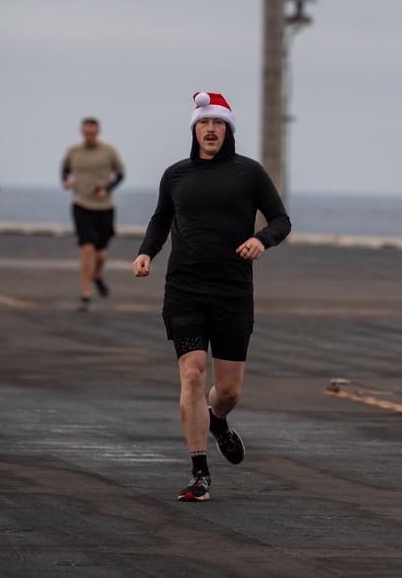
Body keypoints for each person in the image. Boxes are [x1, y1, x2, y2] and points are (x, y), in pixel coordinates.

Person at [132, 92, 291, 502]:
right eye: (204, 123)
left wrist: (261, 240)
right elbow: (161, 219)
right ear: (194, 129)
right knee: (192, 373)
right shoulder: (175, 175)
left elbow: (281, 220)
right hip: (184, 288)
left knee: (229, 389)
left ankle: (218, 420)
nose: (210, 130)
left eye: (218, 124)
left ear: (228, 130)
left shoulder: (249, 173)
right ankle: (199, 472)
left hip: (233, 291)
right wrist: (146, 252)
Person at [61, 117, 125, 312]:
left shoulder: (108, 151)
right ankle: (85, 294)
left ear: (98, 132)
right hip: (81, 204)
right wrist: (65, 181)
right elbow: (64, 170)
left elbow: (120, 174)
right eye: (86, 133)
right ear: (82, 132)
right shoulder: (73, 151)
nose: (89, 136)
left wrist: (106, 188)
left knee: (102, 253)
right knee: (86, 248)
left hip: (104, 206)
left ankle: (96, 275)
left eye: (92, 133)